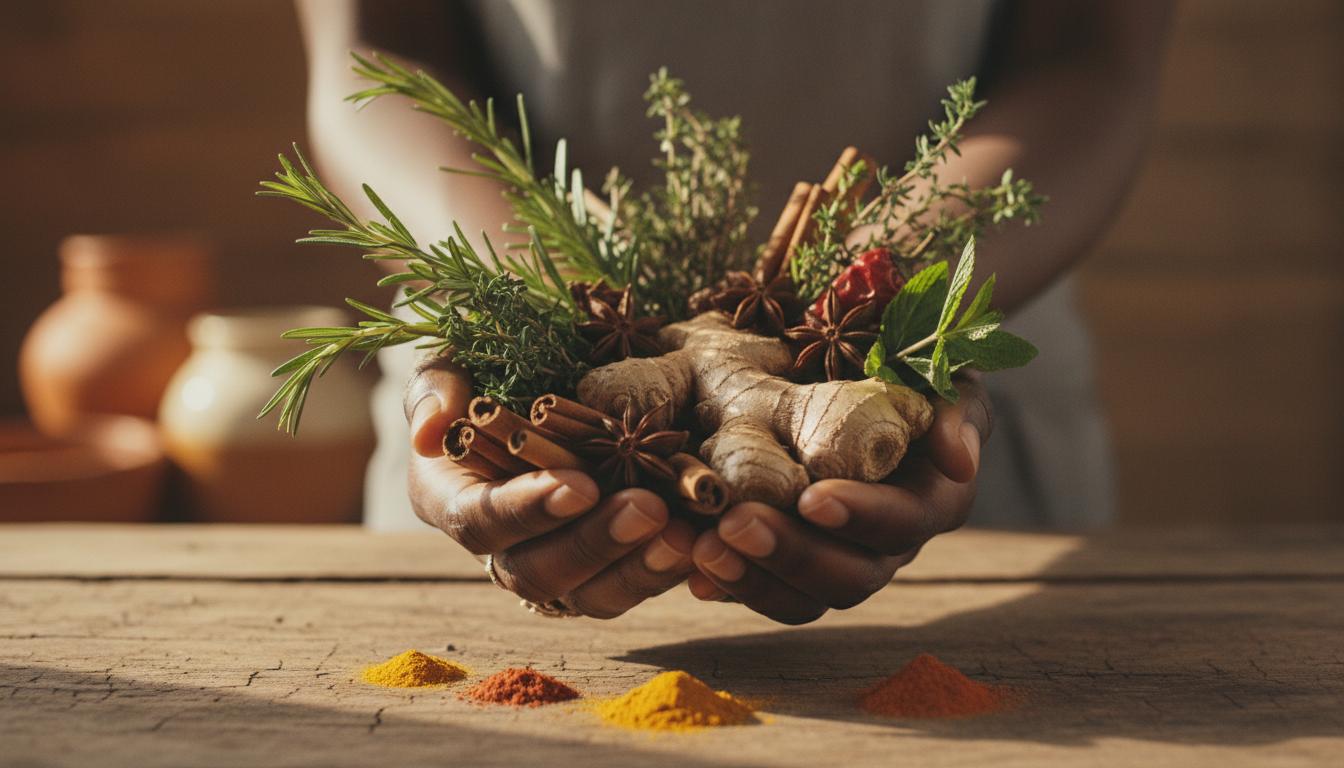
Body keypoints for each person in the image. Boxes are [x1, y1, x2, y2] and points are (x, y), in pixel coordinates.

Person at [296, 0, 1170, 623]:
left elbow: (1087, 51)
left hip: (957, 400)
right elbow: (379, 52)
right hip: (538, 419)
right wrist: (522, 301)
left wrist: (887, 305)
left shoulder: (878, 328)